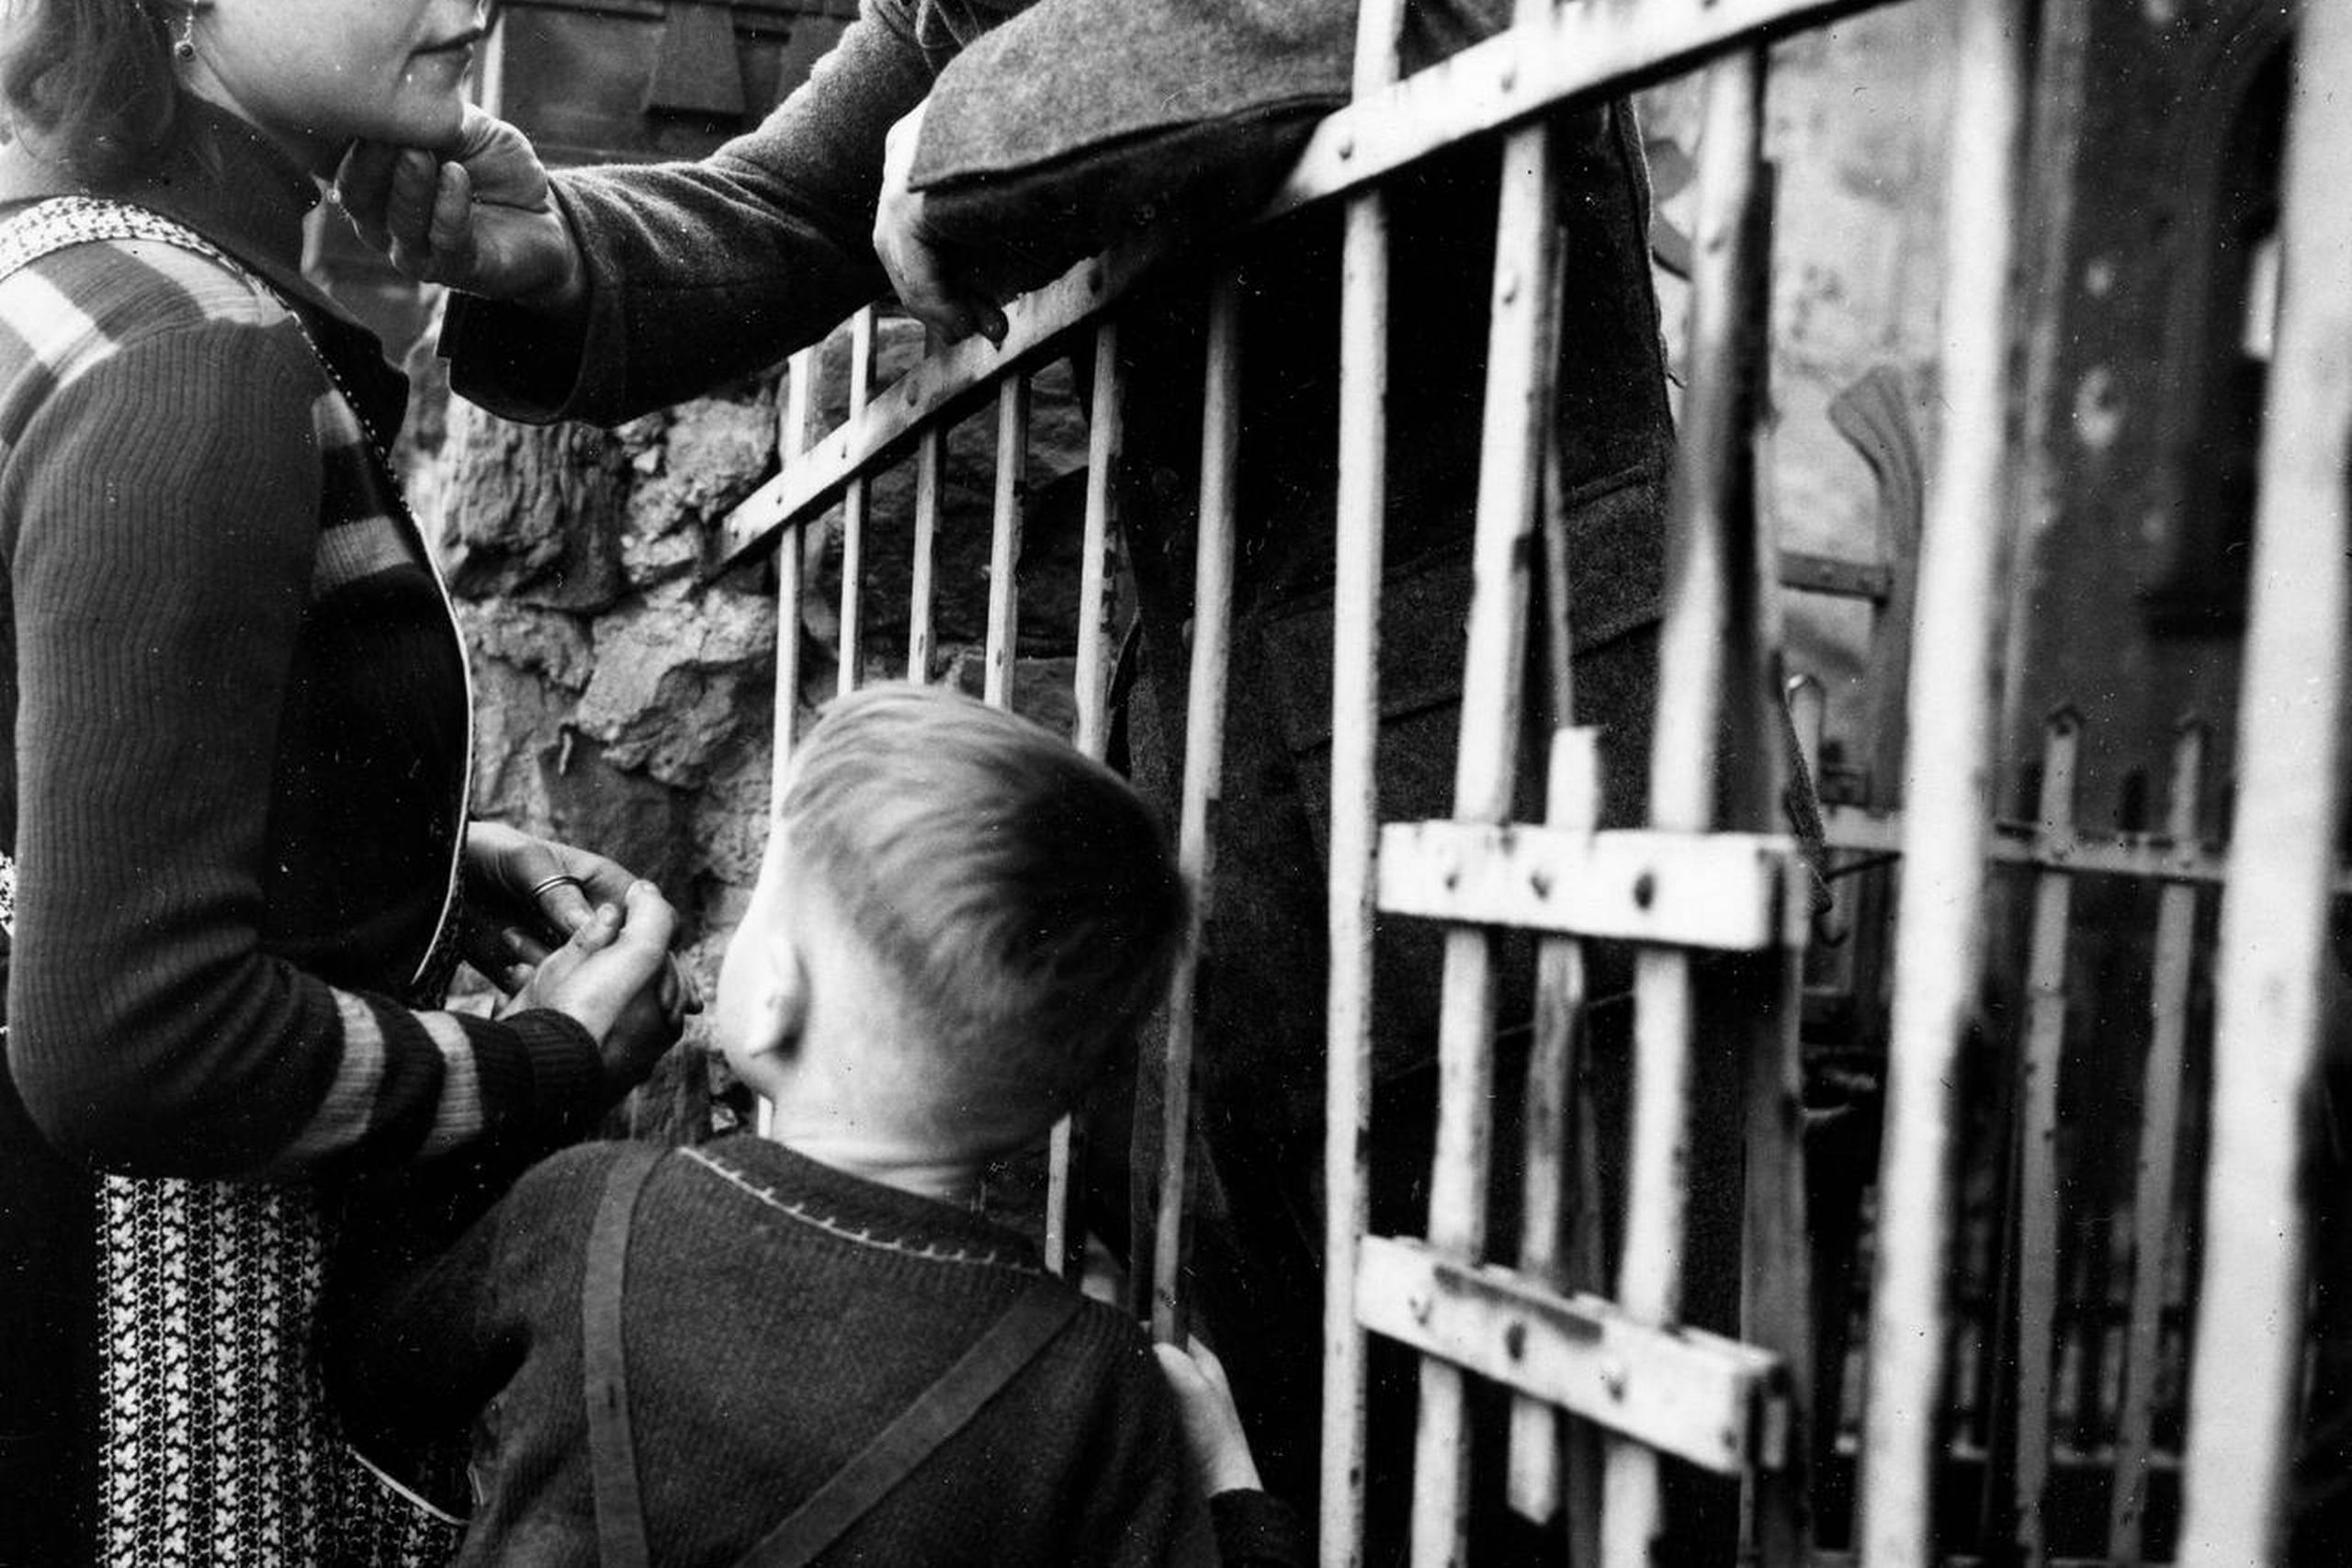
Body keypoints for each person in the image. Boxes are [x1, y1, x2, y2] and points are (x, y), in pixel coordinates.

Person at [340, 0, 1679, 1547]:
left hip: (1545, 771)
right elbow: (791, 198)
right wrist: (554, 248)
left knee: (1559, 1446)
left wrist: (974, 139)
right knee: (1304, 1419)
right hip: (1240, 803)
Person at [0, 2, 691, 1562]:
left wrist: (412, 847)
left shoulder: (58, 275)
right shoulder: (190, 351)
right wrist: (546, 1063)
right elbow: (133, 1043)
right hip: (134, 1397)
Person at [322, 683, 1308, 1566]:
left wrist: (535, 1073)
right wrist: (1231, 1489)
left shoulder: (588, 1213)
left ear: (773, 1000)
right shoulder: (1096, 1385)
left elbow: (373, 1370)